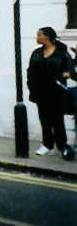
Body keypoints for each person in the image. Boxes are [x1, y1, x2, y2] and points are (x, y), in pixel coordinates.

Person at [27, 27, 75, 160]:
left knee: (57, 120)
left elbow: (70, 68)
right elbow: (30, 71)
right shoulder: (36, 53)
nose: (37, 37)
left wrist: (68, 73)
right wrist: (31, 86)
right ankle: (47, 145)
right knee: (44, 120)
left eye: (39, 35)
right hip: (40, 92)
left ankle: (62, 146)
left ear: (46, 37)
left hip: (57, 92)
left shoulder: (61, 52)